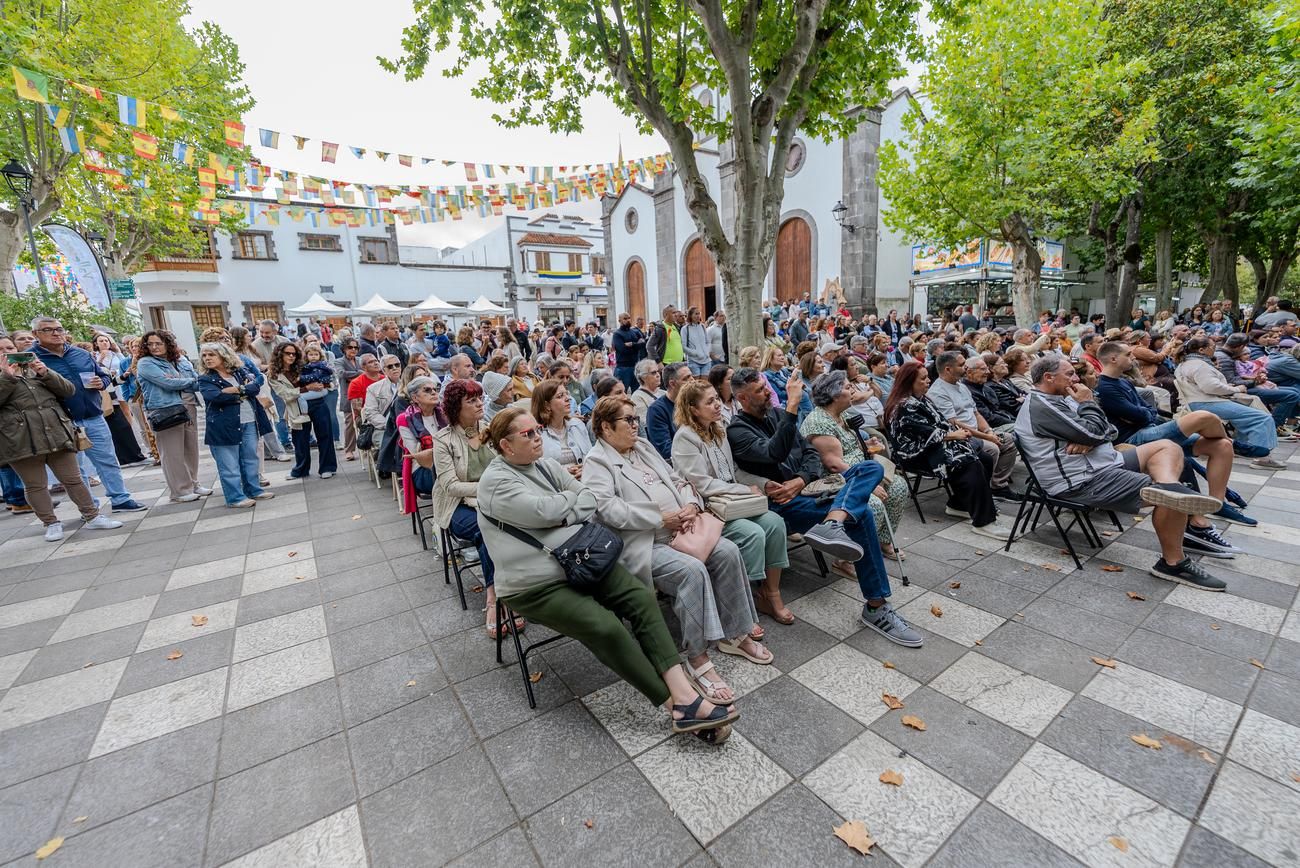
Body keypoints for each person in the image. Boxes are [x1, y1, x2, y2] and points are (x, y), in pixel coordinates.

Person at [477, 408, 737, 734]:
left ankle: (683, 691)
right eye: (527, 434)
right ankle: (677, 705)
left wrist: (565, 509)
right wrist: (567, 506)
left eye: (538, 430)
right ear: (506, 445)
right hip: (534, 584)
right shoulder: (496, 482)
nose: (537, 438)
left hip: (582, 559)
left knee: (641, 598)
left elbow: (586, 499)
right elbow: (548, 510)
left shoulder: (544, 465)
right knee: (607, 627)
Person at [586, 395, 770, 703]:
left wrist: (689, 505)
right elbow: (606, 509)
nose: (636, 425)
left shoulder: (642, 447)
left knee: (726, 552)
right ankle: (696, 658)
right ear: (606, 427)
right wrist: (660, 518)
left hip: (683, 529)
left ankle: (735, 634)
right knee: (692, 571)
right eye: (628, 420)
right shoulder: (598, 461)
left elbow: (678, 478)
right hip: (646, 543)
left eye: (636, 419)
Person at [728, 367, 923, 647]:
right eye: (760, 390)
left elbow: (809, 453)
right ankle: (876, 606)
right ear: (744, 399)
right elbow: (774, 452)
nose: (769, 391)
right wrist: (792, 406)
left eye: (765, 386)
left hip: (810, 488)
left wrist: (802, 478)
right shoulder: (738, 430)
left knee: (869, 468)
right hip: (782, 502)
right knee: (864, 513)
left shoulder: (778, 415)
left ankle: (834, 521)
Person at [1017, 356, 1229, 590]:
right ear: (1048, 377)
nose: (1076, 378)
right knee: (1172, 500)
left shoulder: (1064, 398)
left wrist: (1092, 436)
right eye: (1069, 374)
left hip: (1106, 461)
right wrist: (1089, 413)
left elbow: (1110, 430)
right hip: (1083, 480)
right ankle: (1173, 562)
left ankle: (1169, 487)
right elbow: (1096, 432)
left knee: (1168, 447)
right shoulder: (1043, 405)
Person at [1095, 341, 1254, 534]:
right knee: (1203, 416)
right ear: (1113, 359)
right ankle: (1235, 443)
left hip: (1149, 429)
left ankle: (1216, 504)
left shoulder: (1123, 381)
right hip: (1134, 440)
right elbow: (1141, 414)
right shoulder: (1104, 387)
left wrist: (1144, 413)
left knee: (1221, 447)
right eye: (1128, 354)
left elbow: (1148, 412)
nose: (1133, 357)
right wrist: (1144, 414)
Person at [672, 379, 792, 624]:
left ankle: (771, 593)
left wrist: (761, 483)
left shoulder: (718, 429)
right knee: (753, 533)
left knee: (775, 523)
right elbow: (701, 484)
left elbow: (733, 471)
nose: (718, 405)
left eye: (717, 398)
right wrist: (743, 490)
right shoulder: (685, 438)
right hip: (710, 508)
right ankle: (741, 604)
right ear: (693, 409)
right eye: (710, 402)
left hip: (733, 498)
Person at [429, 378, 522, 638]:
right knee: (487, 529)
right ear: (455, 408)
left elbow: (510, 463)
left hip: (495, 501)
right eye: (472, 400)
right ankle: (495, 597)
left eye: (480, 398)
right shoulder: (443, 439)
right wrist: (489, 488)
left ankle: (515, 586)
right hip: (458, 506)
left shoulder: (492, 428)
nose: (480, 403)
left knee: (514, 523)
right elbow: (450, 486)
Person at [0, 348, 124, 540]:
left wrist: (45, 372)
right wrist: (7, 377)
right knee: (35, 485)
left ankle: (92, 516)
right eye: (1, 349)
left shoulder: (33, 368)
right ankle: (51, 523)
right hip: (20, 439)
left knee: (73, 478)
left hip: (56, 432)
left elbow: (68, 390)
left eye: (9, 348)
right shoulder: (5, 376)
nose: (7, 352)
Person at [30, 317, 145, 513]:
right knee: (75, 469)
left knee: (107, 459)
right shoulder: (32, 359)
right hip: (62, 421)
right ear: (35, 334)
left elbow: (102, 375)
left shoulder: (80, 353)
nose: (56, 333)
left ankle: (120, 499)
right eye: (48, 330)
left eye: (59, 329)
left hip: (93, 415)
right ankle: (89, 506)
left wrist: (101, 381)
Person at [882, 361, 1005, 537]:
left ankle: (958, 504)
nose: (928, 381)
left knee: (985, 458)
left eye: (927, 377)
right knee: (969, 462)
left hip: (934, 445)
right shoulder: (904, 405)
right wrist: (954, 436)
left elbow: (941, 423)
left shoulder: (921, 399)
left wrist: (956, 433)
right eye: (923, 379)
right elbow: (925, 433)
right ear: (909, 382)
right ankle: (983, 521)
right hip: (915, 453)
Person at [802, 371, 910, 561]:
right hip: (835, 480)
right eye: (847, 387)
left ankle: (883, 541)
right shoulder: (819, 422)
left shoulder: (841, 414)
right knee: (872, 504)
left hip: (859, 470)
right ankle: (845, 557)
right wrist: (868, 484)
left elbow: (847, 446)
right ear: (834, 395)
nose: (852, 389)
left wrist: (865, 445)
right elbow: (833, 465)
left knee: (899, 486)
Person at [1174, 336, 1286, 469]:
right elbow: (1211, 387)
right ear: (1202, 350)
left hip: (1199, 402)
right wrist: (1236, 388)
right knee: (1262, 418)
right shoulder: (1200, 365)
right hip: (1207, 402)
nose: (1214, 350)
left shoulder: (1185, 364)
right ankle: (1263, 458)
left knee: (1248, 414)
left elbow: (1207, 386)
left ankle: (1240, 447)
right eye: (1212, 347)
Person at [927, 351, 1022, 500]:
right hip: (960, 437)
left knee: (1010, 440)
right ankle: (981, 491)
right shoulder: (938, 392)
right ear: (948, 369)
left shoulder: (962, 386)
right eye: (961, 365)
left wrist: (989, 431)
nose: (966, 367)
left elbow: (976, 413)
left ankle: (998, 485)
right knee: (992, 449)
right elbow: (953, 424)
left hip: (977, 432)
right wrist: (987, 437)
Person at [195, 342, 274, 508]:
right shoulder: (205, 379)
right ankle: (235, 498)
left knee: (250, 459)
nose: (207, 358)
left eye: (211, 354)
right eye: (204, 355)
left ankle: (254, 490)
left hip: (249, 420)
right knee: (229, 464)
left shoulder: (238, 372)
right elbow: (215, 397)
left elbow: (255, 386)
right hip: (223, 426)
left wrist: (235, 390)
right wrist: (243, 390)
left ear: (223, 355)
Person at [136, 330, 210, 503]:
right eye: (150, 344)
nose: (154, 347)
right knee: (172, 452)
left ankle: (193, 483)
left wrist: (181, 380)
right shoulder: (145, 363)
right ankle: (180, 490)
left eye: (158, 343)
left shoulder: (181, 360)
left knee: (190, 448)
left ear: (168, 344)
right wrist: (185, 381)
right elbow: (168, 383)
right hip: (164, 408)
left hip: (188, 405)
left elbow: (195, 380)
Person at [269, 343, 338, 479]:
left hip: (317, 402)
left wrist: (322, 385)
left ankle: (327, 467)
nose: (291, 356)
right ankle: (301, 469)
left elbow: (324, 377)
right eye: (287, 353)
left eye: (293, 353)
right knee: (300, 440)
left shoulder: (303, 366)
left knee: (325, 434)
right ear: (279, 354)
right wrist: (307, 388)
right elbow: (284, 394)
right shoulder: (274, 374)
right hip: (296, 408)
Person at [532, 379, 592, 474]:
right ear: (547, 405)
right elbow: (535, 470)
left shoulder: (578, 424)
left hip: (585, 480)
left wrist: (585, 470)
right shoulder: (535, 433)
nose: (568, 398)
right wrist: (564, 473)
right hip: (555, 486)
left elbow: (591, 458)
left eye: (566, 394)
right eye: (560, 396)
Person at [646, 361, 691, 460]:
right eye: (686, 379)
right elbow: (665, 449)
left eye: (691, 376)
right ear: (672, 384)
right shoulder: (656, 410)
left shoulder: (694, 402)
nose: (692, 381)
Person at [333, 338, 365, 460]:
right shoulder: (338, 361)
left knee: (365, 422)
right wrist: (359, 373)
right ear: (344, 349)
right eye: (350, 347)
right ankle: (349, 450)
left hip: (363, 395)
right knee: (350, 424)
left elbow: (367, 372)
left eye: (355, 347)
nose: (353, 350)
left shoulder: (360, 360)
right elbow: (341, 374)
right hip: (348, 397)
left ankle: (365, 447)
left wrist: (354, 375)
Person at [631, 359, 664, 428]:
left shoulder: (663, 392)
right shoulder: (637, 397)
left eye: (658, 371)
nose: (658, 375)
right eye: (653, 373)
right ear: (643, 377)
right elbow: (645, 424)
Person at [680, 306, 711, 376]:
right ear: (690, 315)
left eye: (699, 313)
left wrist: (707, 352)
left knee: (704, 384)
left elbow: (707, 342)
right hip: (693, 361)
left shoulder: (703, 326)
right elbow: (683, 346)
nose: (698, 316)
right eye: (696, 314)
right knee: (696, 384)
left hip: (706, 360)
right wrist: (696, 353)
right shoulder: (685, 329)